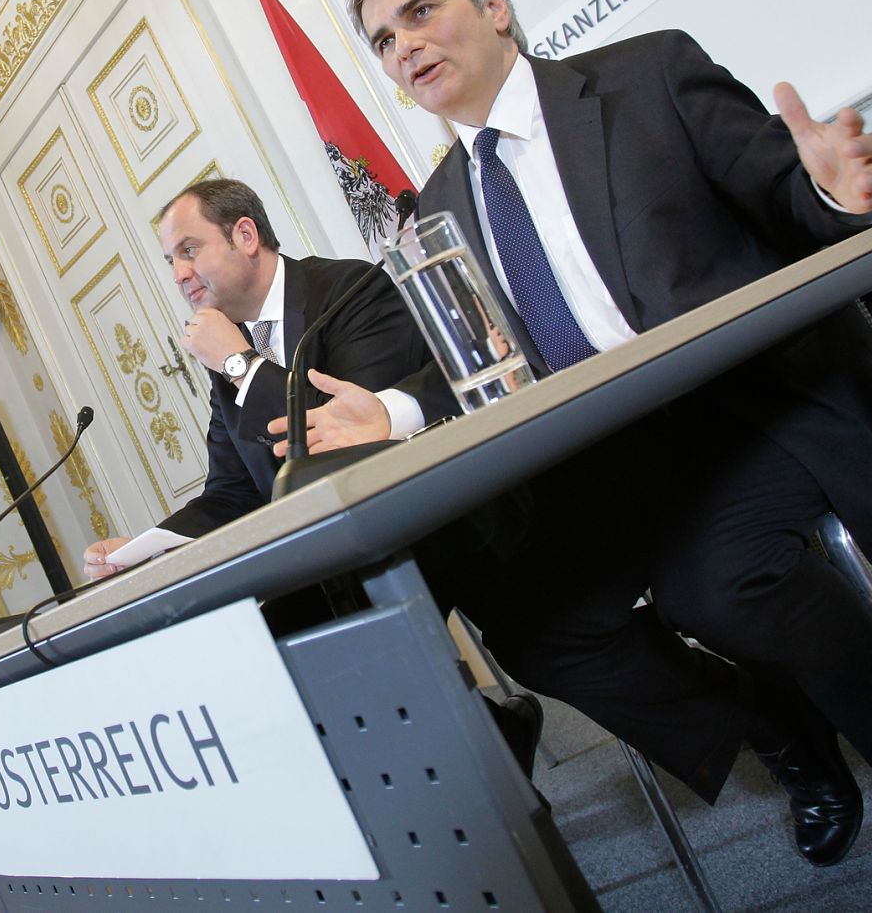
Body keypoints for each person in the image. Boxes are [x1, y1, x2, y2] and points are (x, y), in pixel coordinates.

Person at [276, 0, 872, 868]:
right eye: (384, 40)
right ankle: (780, 724)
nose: (404, 45)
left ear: (494, 8)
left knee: (717, 582)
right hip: (619, 457)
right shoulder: (437, 203)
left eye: (419, 12)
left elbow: (786, 192)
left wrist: (851, 193)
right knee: (541, 629)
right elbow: (468, 358)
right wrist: (395, 414)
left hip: (755, 408)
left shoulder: (644, 78)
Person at [82, 178, 545, 772]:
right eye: (170, 260)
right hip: (334, 556)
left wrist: (241, 365)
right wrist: (149, 549)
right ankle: (490, 739)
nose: (179, 274)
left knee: (347, 642)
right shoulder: (231, 353)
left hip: (430, 525)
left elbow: (352, 444)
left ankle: (487, 771)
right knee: (264, 649)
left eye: (189, 250)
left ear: (245, 235)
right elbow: (232, 492)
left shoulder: (348, 291)